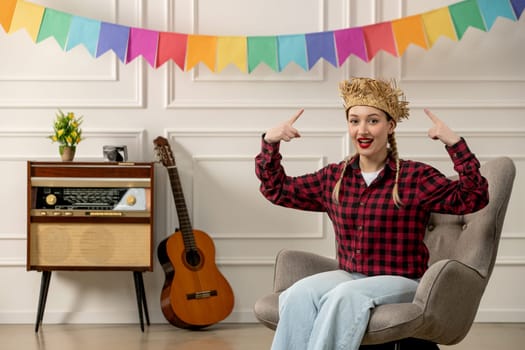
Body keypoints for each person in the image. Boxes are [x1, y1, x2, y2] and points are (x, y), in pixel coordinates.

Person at [254, 77, 489, 350]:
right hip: (351, 276)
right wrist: (270, 143)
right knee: (298, 294)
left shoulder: (415, 177)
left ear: (390, 126)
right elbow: (277, 190)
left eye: (372, 120)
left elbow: (473, 197)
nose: (362, 130)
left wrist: (455, 144)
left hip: (404, 281)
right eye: (354, 121)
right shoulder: (334, 177)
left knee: (344, 296)